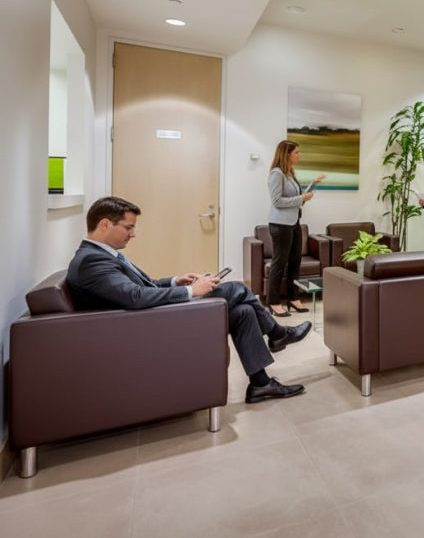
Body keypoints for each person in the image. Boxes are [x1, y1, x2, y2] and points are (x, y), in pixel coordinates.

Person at [67, 196, 311, 404]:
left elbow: (142, 286)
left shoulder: (100, 255)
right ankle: (278, 333)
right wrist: (192, 292)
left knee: (244, 311)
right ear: (105, 224)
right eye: (128, 227)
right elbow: (136, 297)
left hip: (150, 317)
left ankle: (260, 384)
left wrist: (177, 280)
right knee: (237, 288)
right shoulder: (92, 261)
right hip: (151, 325)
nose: (133, 234)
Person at [267, 140, 324, 316]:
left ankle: (293, 298)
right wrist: (301, 199)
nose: (299, 155)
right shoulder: (276, 174)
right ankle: (274, 302)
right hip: (280, 225)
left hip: (293, 222)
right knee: (279, 264)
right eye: (297, 152)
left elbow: (299, 197)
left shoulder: (289, 173)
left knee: (294, 262)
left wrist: (312, 185)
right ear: (287, 154)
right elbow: (277, 201)